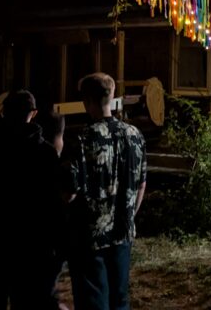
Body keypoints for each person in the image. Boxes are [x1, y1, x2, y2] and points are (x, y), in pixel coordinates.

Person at [0, 90, 65, 310]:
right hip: (31, 245)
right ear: (32, 114)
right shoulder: (46, 153)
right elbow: (54, 202)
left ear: (3, 112)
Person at [62, 73, 147, 310]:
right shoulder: (135, 135)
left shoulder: (81, 138)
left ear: (87, 101)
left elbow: (69, 191)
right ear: (110, 97)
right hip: (123, 232)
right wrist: (129, 215)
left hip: (90, 237)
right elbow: (141, 183)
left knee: (93, 301)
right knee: (120, 299)